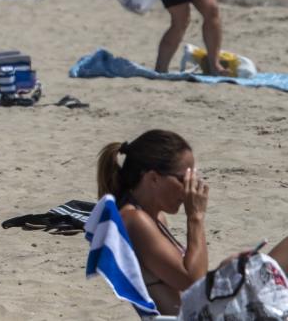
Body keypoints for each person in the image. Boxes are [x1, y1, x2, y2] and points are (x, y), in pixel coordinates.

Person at [96, 129, 288, 315]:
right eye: (184, 179)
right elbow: (193, 282)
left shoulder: (153, 218)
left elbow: (186, 281)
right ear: (153, 178)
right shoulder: (135, 220)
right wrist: (195, 217)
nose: (190, 188)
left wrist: (223, 269)